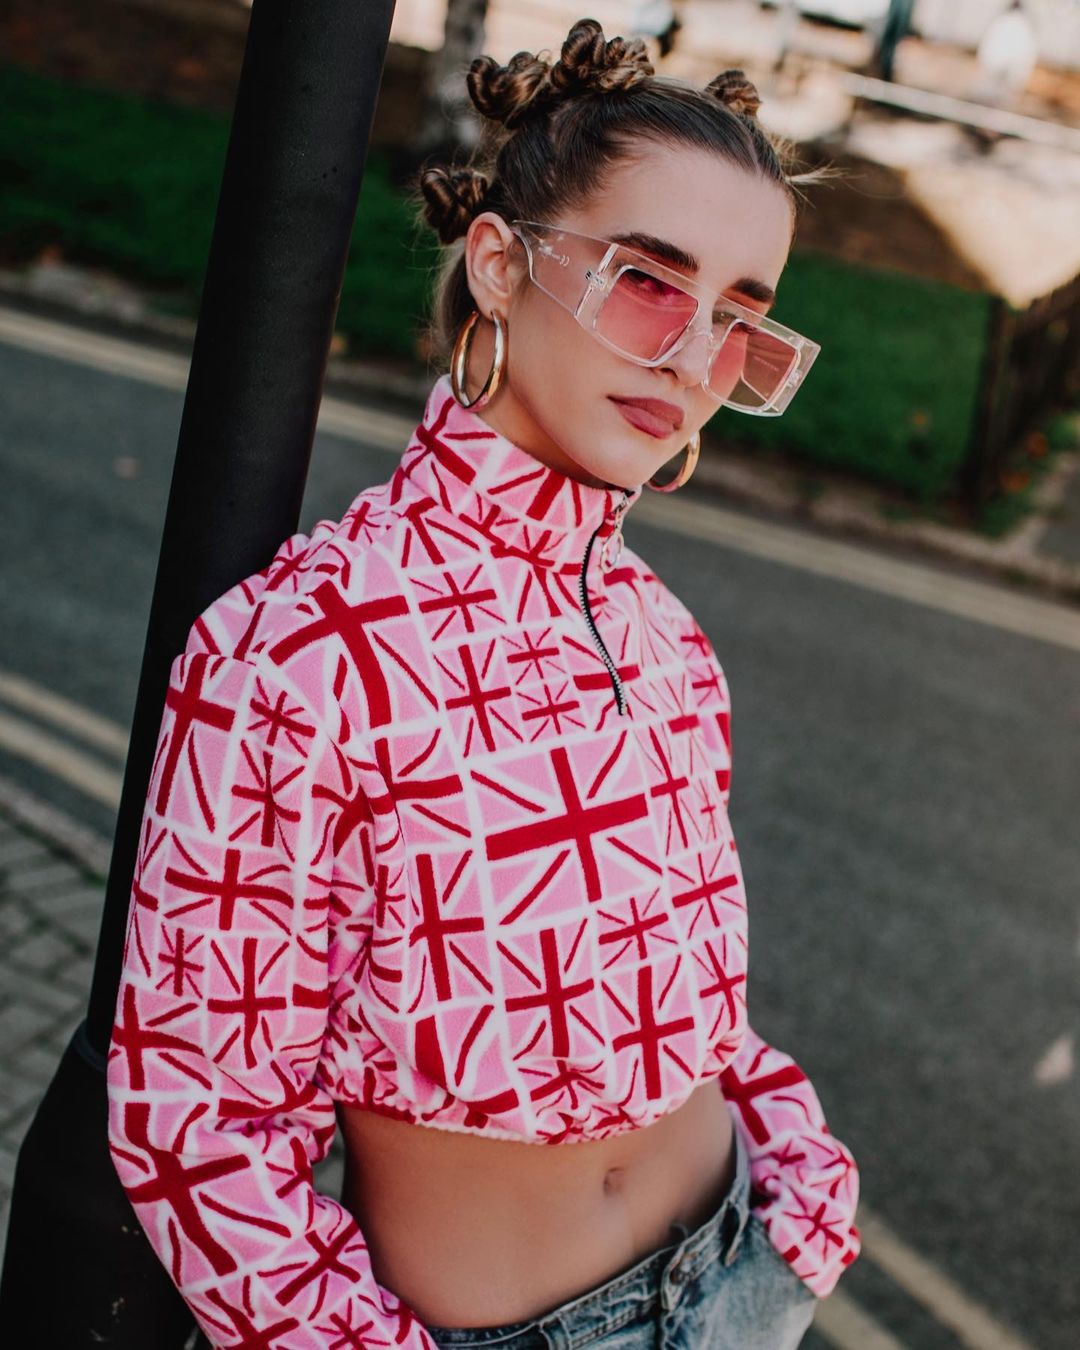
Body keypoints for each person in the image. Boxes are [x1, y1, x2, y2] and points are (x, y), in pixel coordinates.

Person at [106, 17, 860, 1349]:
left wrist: (799, 1187)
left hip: (747, 1271)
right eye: (650, 281)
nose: (694, 359)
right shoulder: (303, 647)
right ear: (501, 265)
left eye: (741, 319)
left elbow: (691, 1005)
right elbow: (198, 1121)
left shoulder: (668, 640)